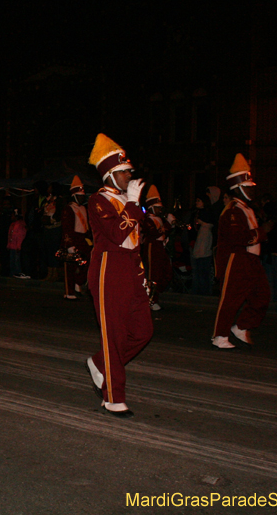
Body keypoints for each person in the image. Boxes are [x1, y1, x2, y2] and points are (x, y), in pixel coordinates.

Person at [84, 133, 153, 418]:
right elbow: (115, 234)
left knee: (143, 331)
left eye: (129, 172)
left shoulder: (129, 201)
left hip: (129, 270)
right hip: (108, 271)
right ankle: (113, 396)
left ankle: (101, 364)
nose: (129, 177)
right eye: (125, 172)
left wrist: (142, 278)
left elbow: (136, 243)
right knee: (113, 336)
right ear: (111, 175)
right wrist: (134, 204)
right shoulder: (98, 200)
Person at [211, 154, 273, 349]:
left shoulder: (247, 209)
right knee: (231, 299)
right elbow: (238, 238)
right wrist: (262, 232)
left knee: (262, 296)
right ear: (238, 188)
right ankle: (220, 335)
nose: (250, 190)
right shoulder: (232, 210)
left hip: (252, 260)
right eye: (247, 186)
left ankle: (242, 326)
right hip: (237, 259)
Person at [140, 185, 173, 310]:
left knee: (165, 272)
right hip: (152, 247)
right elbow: (155, 233)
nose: (160, 210)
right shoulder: (147, 220)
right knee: (153, 274)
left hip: (160, 247)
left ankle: (155, 295)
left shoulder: (159, 219)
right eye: (158, 208)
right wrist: (168, 225)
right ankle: (151, 300)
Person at [60, 175, 92, 300]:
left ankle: (79, 283)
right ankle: (70, 291)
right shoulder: (69, 209)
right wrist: (69, 245)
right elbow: (67, 228)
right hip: (72, 239)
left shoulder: (84, 208)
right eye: (80, 195)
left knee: (86, 264)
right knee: (71, 267)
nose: (82, 197)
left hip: (83, 239)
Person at [190, 195, 215, 296]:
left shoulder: (205, 226)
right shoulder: (196, 214)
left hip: (202, 251)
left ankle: (203, 293)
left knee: (202, 273)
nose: (197, 203)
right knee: (200, 273)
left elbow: (204, 240)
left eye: (199, 200)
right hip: (199, 249)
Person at [8, 209, 29, 279]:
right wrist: (9, 244)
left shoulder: (20, 225)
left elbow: (20, 236)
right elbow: (10, 235)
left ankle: (17, 273)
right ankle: (12, 273)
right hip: (12, 245)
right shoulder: (12, 224)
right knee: (12, 261)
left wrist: (18, 246)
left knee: (17, 261)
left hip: (16, 246)